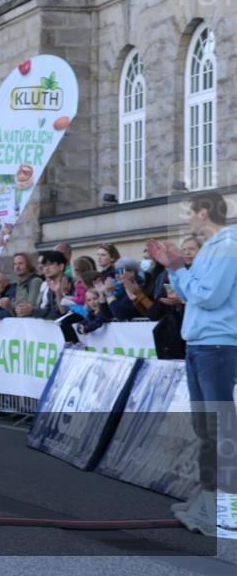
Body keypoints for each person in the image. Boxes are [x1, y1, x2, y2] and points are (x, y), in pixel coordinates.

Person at [148, 191, 237, 536]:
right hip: (201, 343)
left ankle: (224, 509)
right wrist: (178, 269)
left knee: (220, 429)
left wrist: (176, 268)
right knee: (207, 429)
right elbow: (190, 294)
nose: (187, 219)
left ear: (203, 212)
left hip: (217, 345)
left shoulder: (228, 245)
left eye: (189, 213)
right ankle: (209, 497)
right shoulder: (211, 249)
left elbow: (209, 296)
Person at [10, 252, 42, 318]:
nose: (17, 267)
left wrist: (9, 304)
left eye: (20, 263)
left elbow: (31, 306)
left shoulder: (35, 281)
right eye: (15, 264)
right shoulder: (19, 283)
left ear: (28, 265)